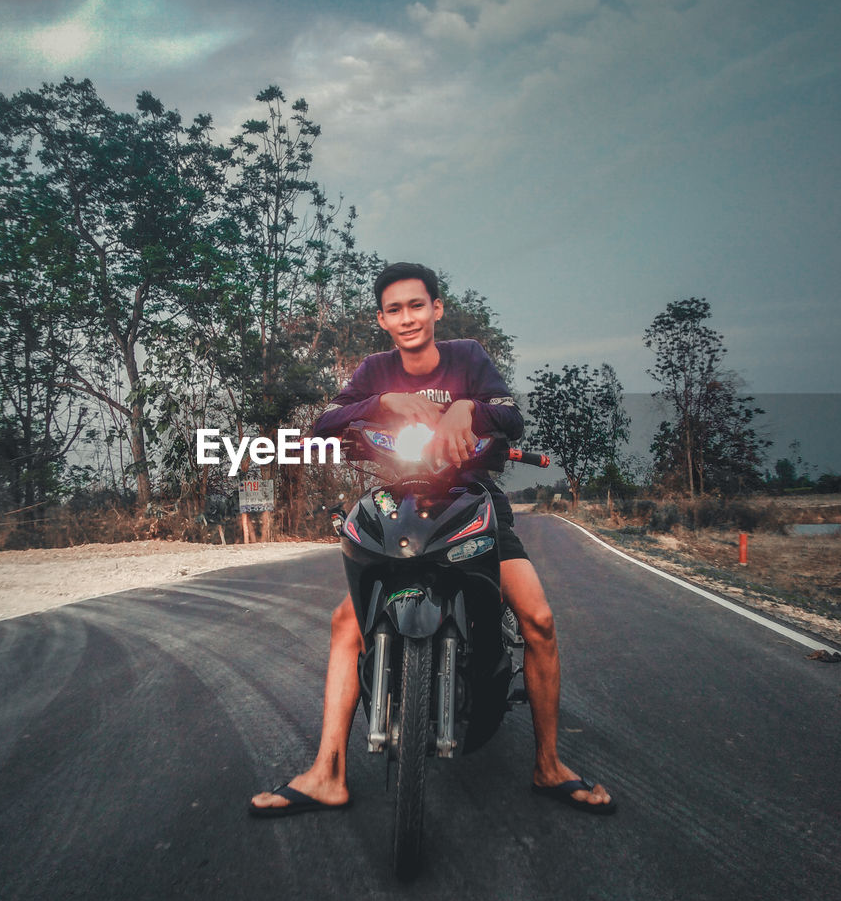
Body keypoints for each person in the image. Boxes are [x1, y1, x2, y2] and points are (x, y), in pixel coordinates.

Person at [249, 262, 614, 817]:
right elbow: (325, 421)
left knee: (537, 618)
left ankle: (548, 763)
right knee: (346, 623)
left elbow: (511, 416)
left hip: (472, 503)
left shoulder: (468, 358)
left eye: (416, 305)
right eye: (394, 309)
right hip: (400, 506)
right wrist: (381, 404)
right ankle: (327, 772)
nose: (407, 317)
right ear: (382, 319)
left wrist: (470, 407)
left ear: (436, 309)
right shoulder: (374, 371)